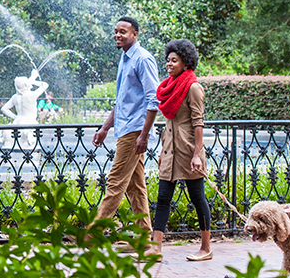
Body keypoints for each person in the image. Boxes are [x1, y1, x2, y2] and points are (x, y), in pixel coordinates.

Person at [91, 17, 160, 241]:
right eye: (116, 31)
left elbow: (153, 100)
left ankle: (93, 235)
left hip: (134, 131)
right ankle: (144, 238)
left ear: (135, 34)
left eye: (123, 31)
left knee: (115, 181)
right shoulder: (125, 58)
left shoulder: (143, 59)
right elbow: (121, 100)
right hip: (125, 128)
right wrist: (104, 128)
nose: (118, 35)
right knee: (135, 186)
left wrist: (144, 135)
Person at [148, 39, 212, 262]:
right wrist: (162, 150)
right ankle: (155, 248)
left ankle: (206, 248)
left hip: (188, 152)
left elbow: (198, 123)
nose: (169, 64)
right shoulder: (169, 87)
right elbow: (169, 125)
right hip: (169, 152)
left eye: (174, 61)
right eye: (167, 60)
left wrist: (197, 154)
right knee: (163, 198)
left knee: (197, 198)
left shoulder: (193, 87)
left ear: (186, 62)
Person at [1, 69, 48, 148]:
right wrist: (32, 79)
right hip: (30, 123)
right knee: (30, 148)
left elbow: (4, 109)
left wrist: (15, 117)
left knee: (15, 146)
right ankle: (27, 136)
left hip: (17, 122)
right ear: (27, 85)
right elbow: (45, 85)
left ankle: (5, 138)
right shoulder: (32, 95)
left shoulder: (15, 97)